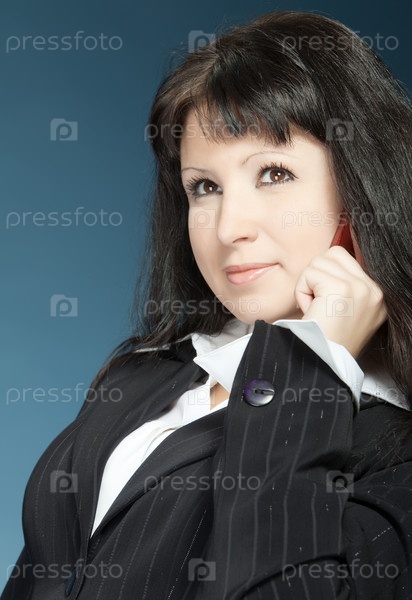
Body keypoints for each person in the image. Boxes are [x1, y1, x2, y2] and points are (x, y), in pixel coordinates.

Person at [2, 10, 412, 600]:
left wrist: (309, 369)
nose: (228, 227)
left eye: (274, 173)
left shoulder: (394, 447)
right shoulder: (146, 374)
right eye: (205, 187)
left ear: (361, 189)